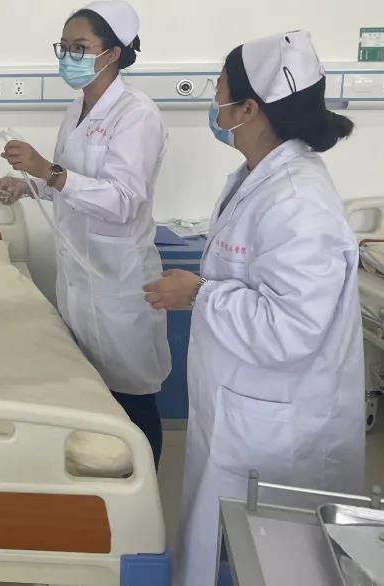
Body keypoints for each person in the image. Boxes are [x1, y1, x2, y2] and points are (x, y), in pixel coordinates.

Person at [143, 31, 364, 586]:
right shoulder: (257, 179)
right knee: (224, 544)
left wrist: (198, 294)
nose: (213, 102)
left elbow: (291, 329)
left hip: (278, 425)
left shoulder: (298, 201)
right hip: (242, 408)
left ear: (248, 110)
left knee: (273, 561)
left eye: (219, 90)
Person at [0, 0, 170, 465]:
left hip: (119, 280)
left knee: (131, 399)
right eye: (64, 46)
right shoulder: (77, 109)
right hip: (79, 276)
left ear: (113, 52)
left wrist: (45, 170)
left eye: (80, 47)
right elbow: (70, 183)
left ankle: (143, 484)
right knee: (89, 393)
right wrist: (28, 185)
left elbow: (123, 200)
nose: (68, 56)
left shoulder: (137, 115)